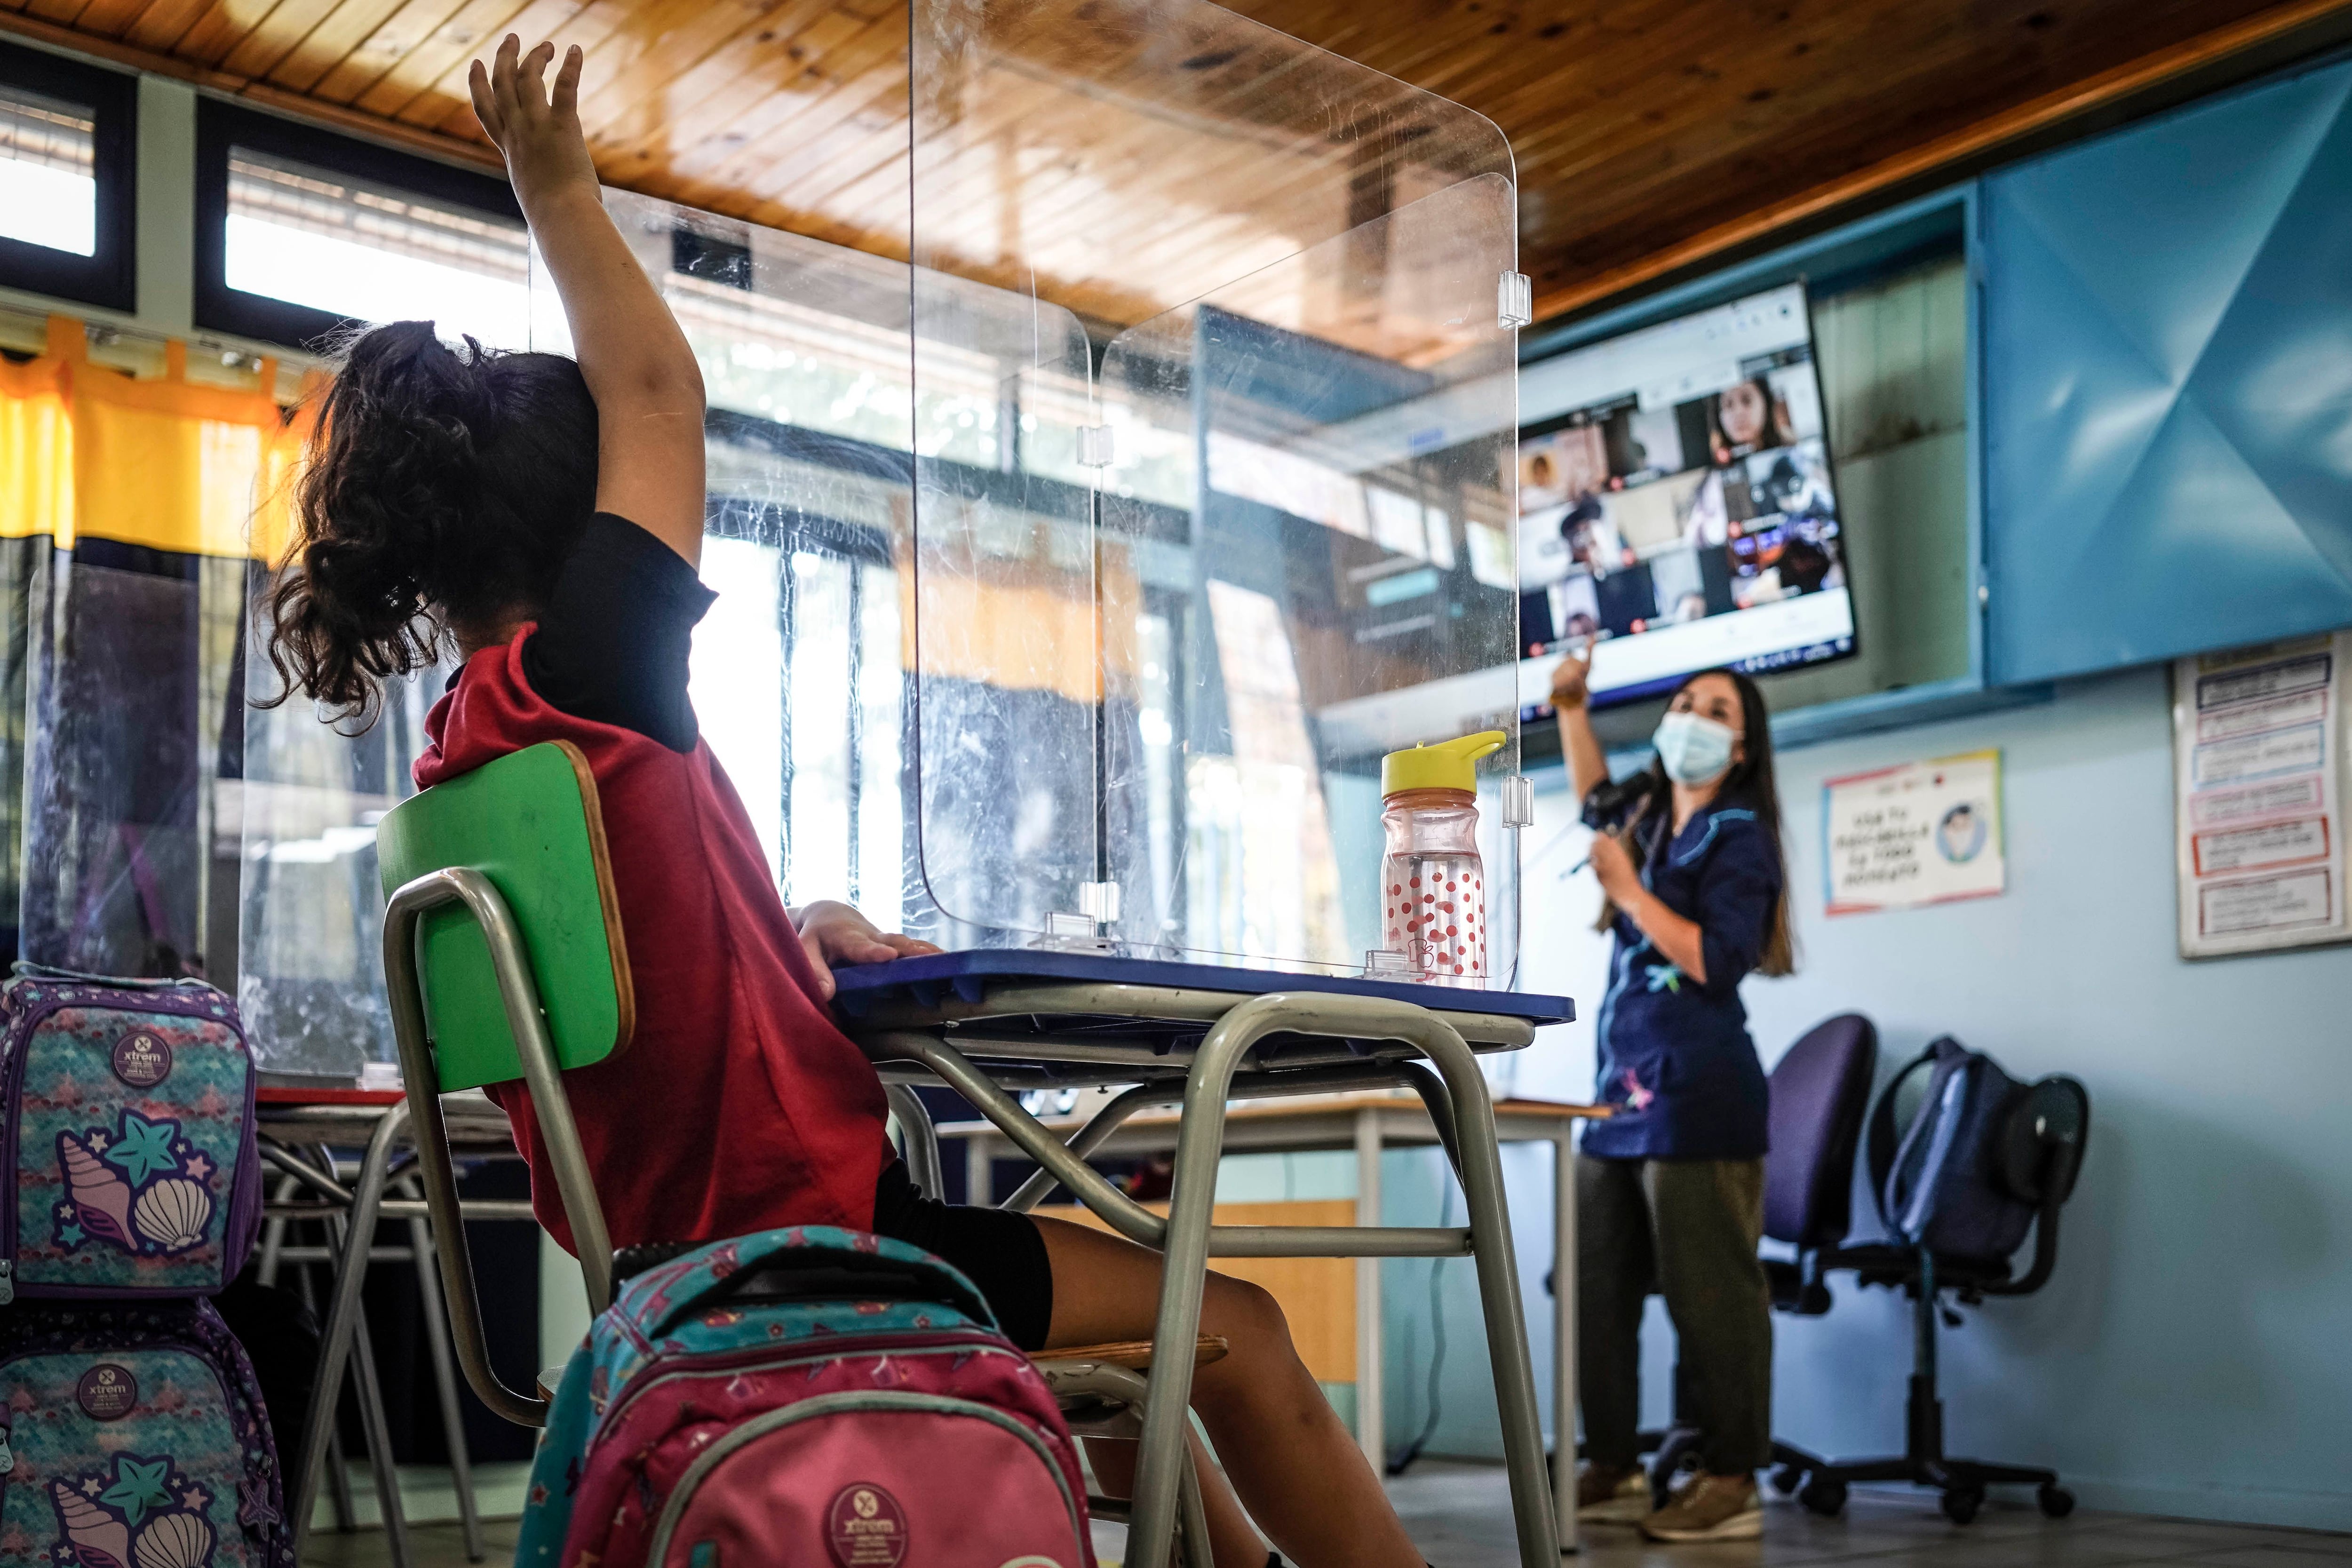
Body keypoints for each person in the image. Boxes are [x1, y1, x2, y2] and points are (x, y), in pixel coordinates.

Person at [259, 37, 1421, 1568]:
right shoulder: (592, 672)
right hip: (825, 1245)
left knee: (1141, 1380)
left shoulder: (472, 756)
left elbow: (640, 972)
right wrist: (556, 192)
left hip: (668, 1263)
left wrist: (770, 931)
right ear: (588, 520)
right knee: (1245, 1328)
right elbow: (660, 386)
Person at [1547, 651, 1795, 1543]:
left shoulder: (1739, 837)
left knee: (1711, 1295)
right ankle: (1609, 1463)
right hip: (1619, 1093)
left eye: (1717, 709)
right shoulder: (1648, 818)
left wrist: (1626, 892)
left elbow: (1715, 958)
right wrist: (1572, 706)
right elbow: (1593, 796)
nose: (1692, 715)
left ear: (1742, 745)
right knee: (1594, 1287)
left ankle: (1732, 1477)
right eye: (1685, 701)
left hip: (1703, 1095)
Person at [1708, 375, 1793, 464]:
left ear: (1766, 405)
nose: (1738, 412)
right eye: (1728, 404)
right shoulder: (1714, 470)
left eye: (1747, 400)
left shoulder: (1789, 452)